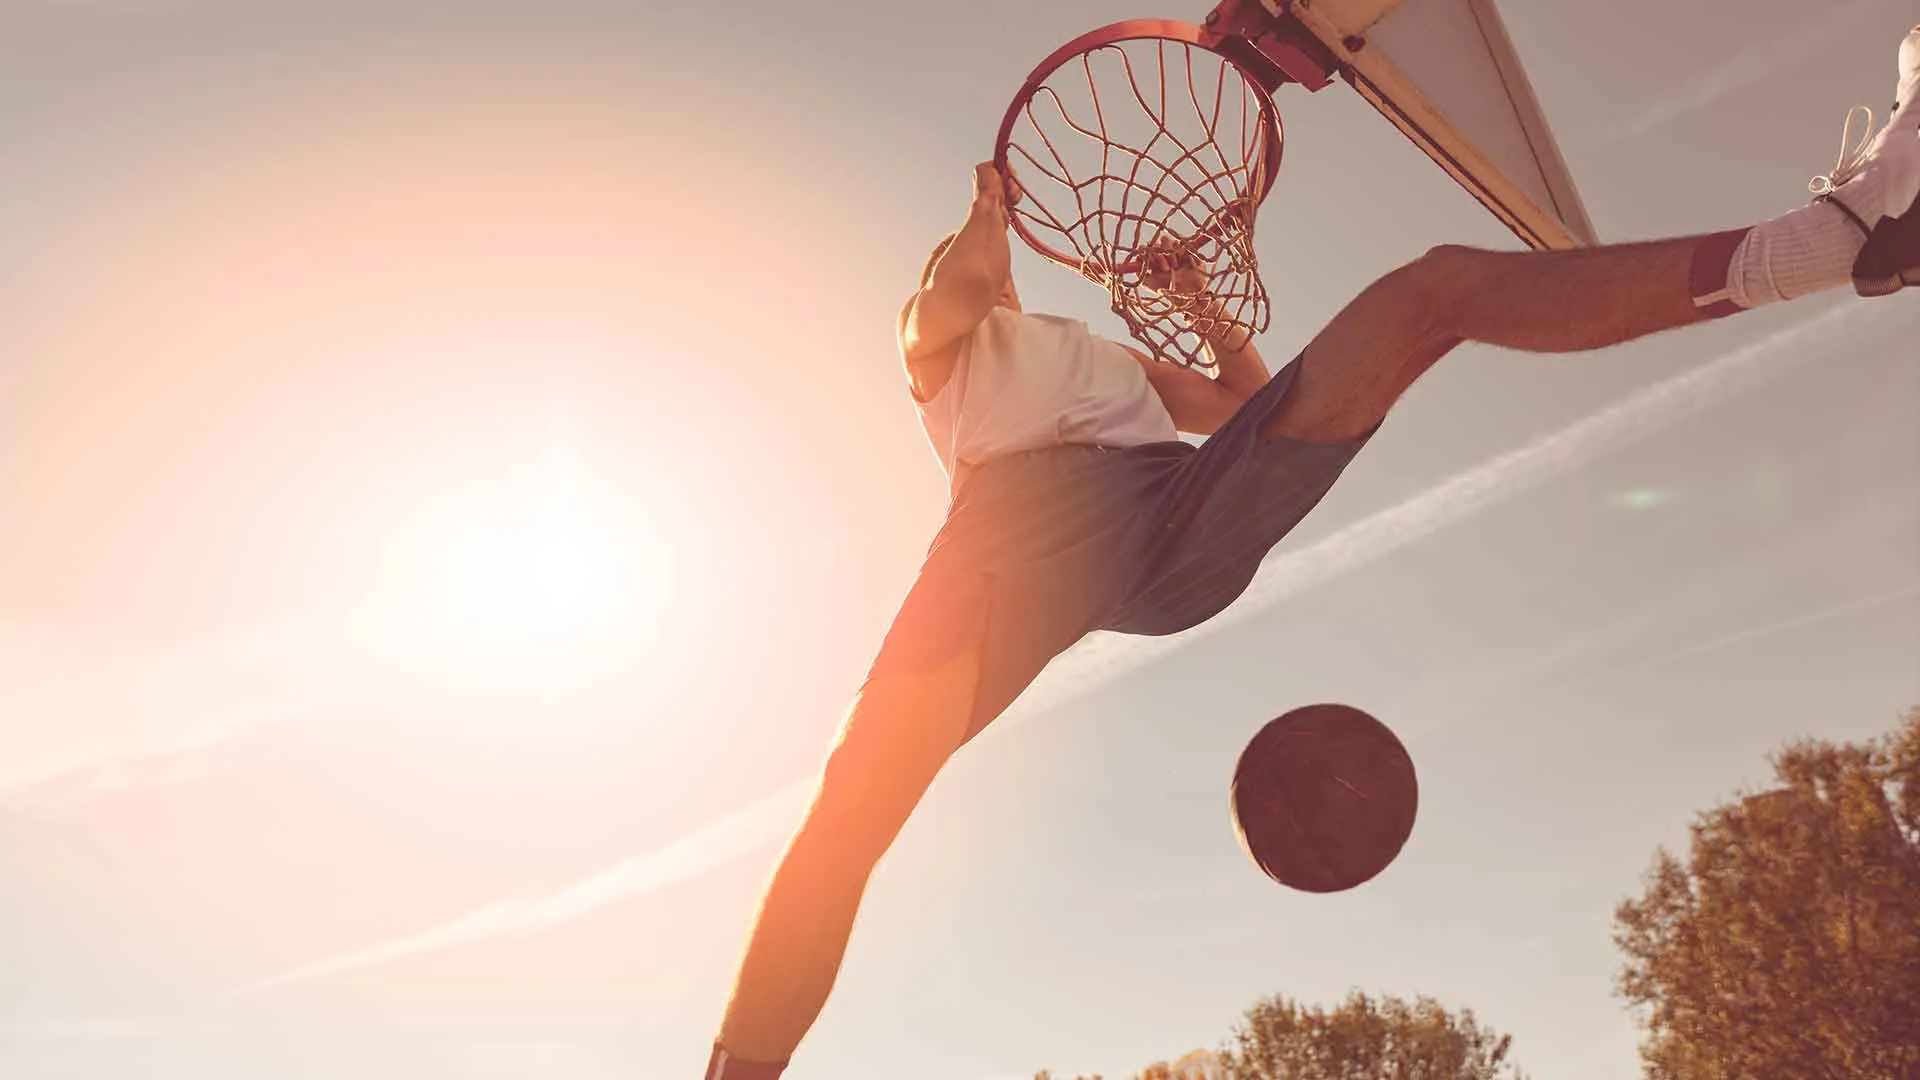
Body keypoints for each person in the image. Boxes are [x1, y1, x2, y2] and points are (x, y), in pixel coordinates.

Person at [702, 25, 1919, 1080]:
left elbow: (1243, 404)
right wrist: (985, 213)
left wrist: (1211, 307)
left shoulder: (1101, 363)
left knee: (1430, 293)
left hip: (1177, 515)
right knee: (851, 816)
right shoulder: (945, 357)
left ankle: (1841, 240)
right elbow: (951, 289)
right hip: (1025, 538)